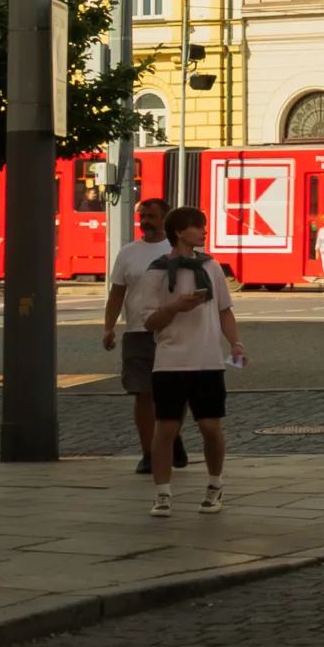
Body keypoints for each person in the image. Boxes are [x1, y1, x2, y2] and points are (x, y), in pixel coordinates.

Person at [135, 205, 244, 517]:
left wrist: (235, 343)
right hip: (170, 362)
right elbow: (149, 322)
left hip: (208, 360)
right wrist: (175, 307)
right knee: (165, 429)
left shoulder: (211, 267)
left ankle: (214, 484)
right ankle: (162, 493)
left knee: (211, 427)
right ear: (179, 233)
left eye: (203, 226)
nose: (203, 231)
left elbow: (225, 310)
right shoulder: (156, 272)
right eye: (197, 227)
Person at [101, 195, 186, 476]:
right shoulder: (128, 253)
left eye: (151, 216)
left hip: (172, 331)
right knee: (142, 394)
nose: (145, 221)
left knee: (174, 393)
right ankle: (149, 453)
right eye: (142, 216)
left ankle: (172, 436)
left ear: (165, 219)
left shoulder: (178, 250)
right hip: (137, 331)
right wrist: (109, 326)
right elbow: (117, 292)